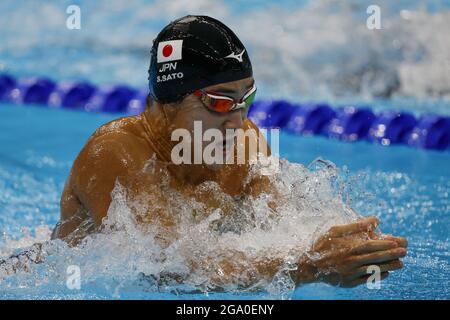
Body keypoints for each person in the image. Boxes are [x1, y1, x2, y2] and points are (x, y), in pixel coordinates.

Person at [25, 15, 408, 289]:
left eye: (247, 98)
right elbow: (165, 270)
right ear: (168, 103)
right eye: (220, 103)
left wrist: (342, 249)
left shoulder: (245, 144)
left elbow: (278, 233)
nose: (239, 119)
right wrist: (311, 266)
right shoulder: (116, 152)